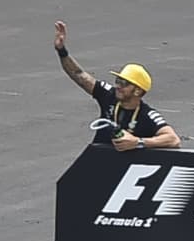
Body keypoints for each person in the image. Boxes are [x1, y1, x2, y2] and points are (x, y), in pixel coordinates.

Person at [53, 22, 181, 152]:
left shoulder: (147, 115)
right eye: (118, 80)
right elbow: (79, 74)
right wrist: (62, 51)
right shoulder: (109, 94)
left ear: (137, 91)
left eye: (124, 83)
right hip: (96, 158)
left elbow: (173, 139)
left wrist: (138, 142)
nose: (118, 86)